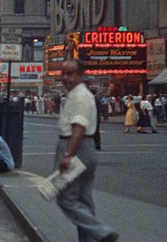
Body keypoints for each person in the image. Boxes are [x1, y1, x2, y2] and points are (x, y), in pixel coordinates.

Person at [56, 60, 118, 242]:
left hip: (77, 148)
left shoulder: (81, 96)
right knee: (83, 199)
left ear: (80, 74)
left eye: (70, 73)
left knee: (66, 199)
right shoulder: (76, 94)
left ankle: (101, 232)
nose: (65, 78)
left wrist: (68, 155)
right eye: (63, 73)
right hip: (84, 148)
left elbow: (79, 129)